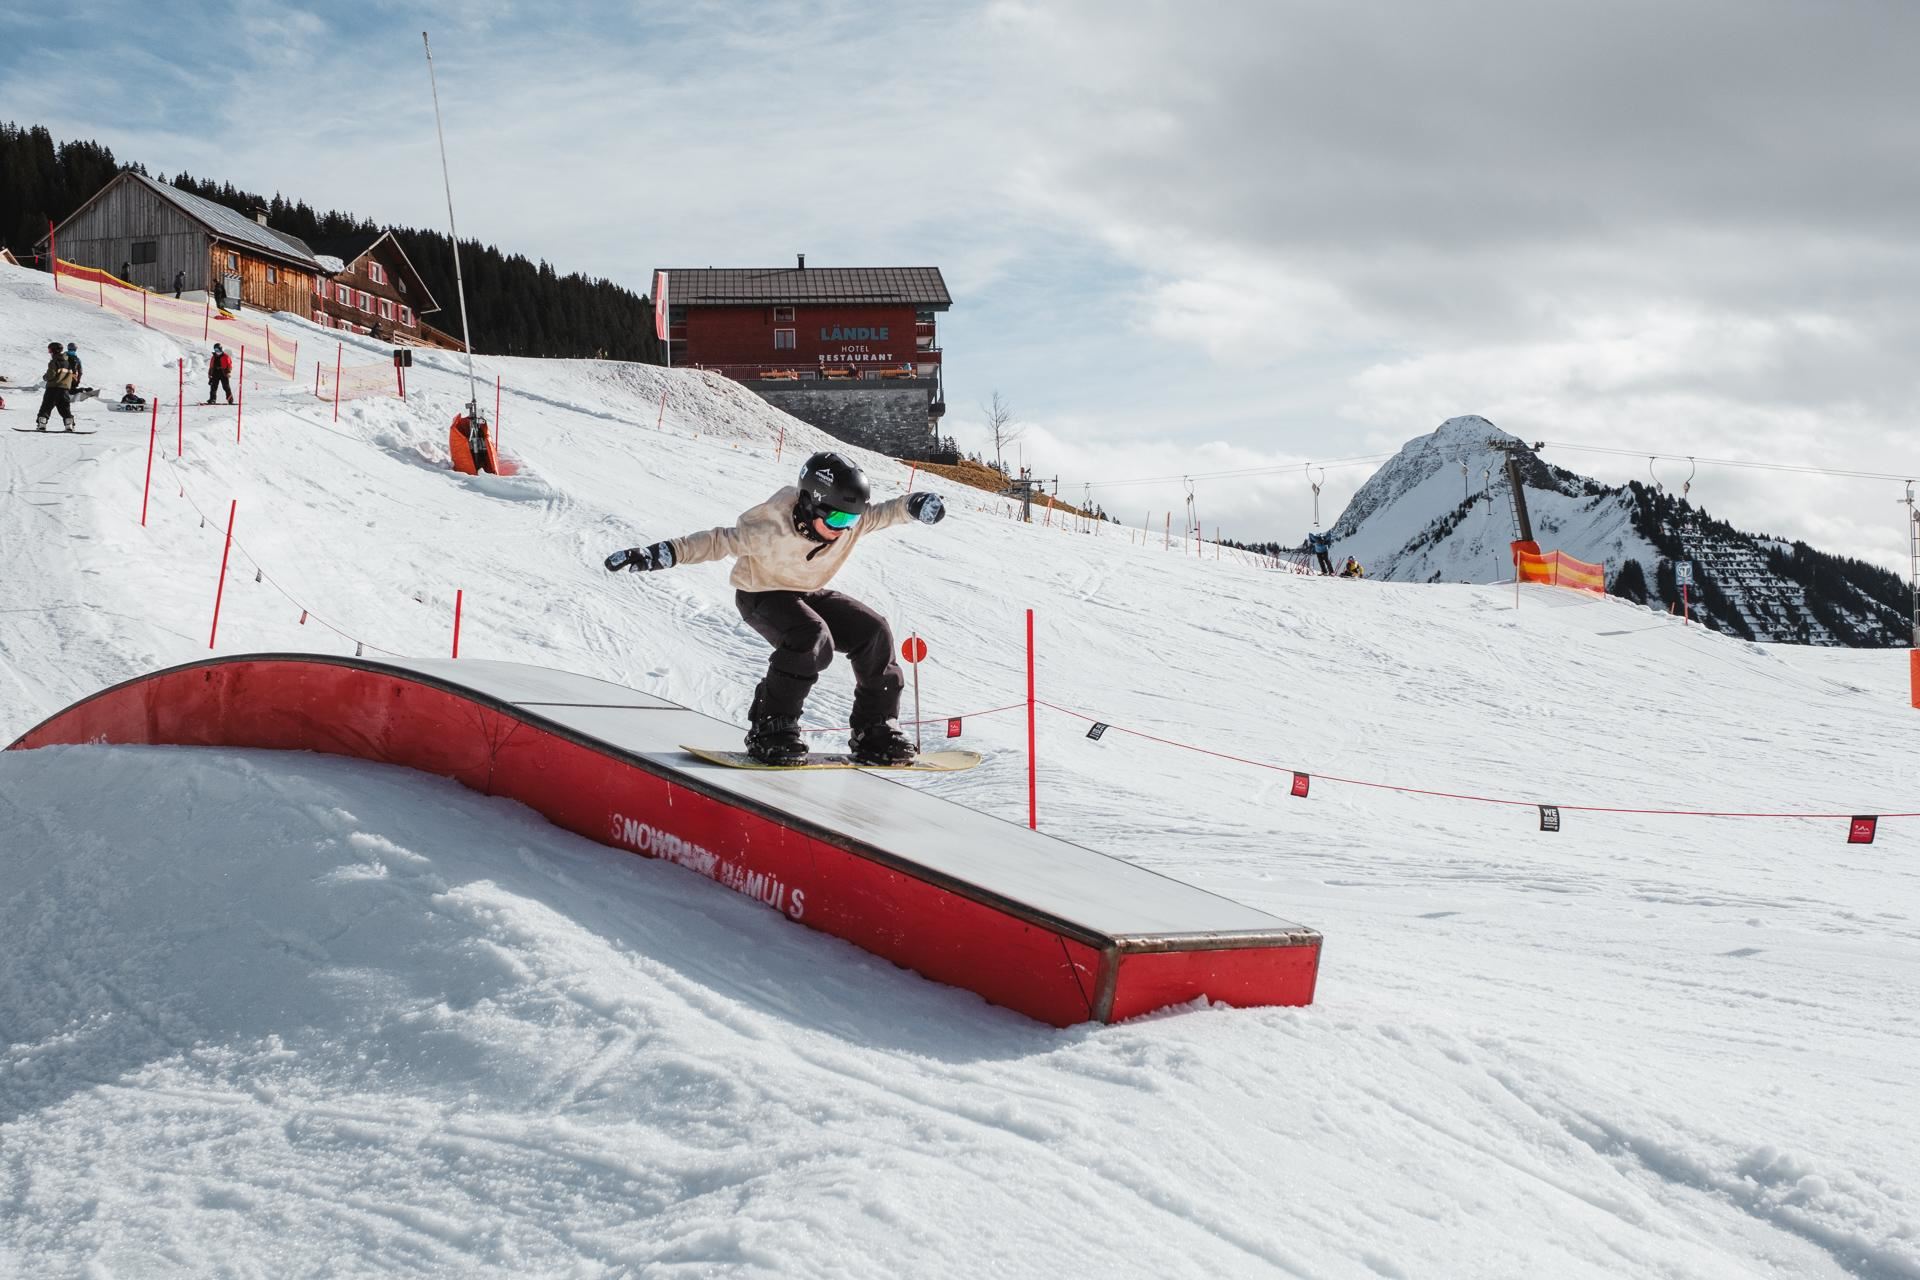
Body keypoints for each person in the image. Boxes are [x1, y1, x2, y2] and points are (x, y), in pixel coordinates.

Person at [604, 451, 947, 766]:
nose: (844, 529)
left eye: (852, 520)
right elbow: (714, 542)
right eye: (838, 518)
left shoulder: (847, 527)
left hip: (806, 591)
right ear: (811, 505)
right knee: (811, 637)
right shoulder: (768, 528)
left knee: (873, 631)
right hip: (761, 593)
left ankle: (876, 728)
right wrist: (659, 554)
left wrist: (913, 504)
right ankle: (771, 726)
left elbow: (886, 513)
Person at [34, 341, 78, 432]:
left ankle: (42, 425)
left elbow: (51, 375)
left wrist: (45, 377)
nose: (49, 352)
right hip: (65, 389)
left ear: (54, 351)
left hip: (53, 388)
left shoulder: (54, 361)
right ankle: (69, 425)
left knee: (46, 407)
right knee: (65, 409)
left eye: (50, 350)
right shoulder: (68, 362)